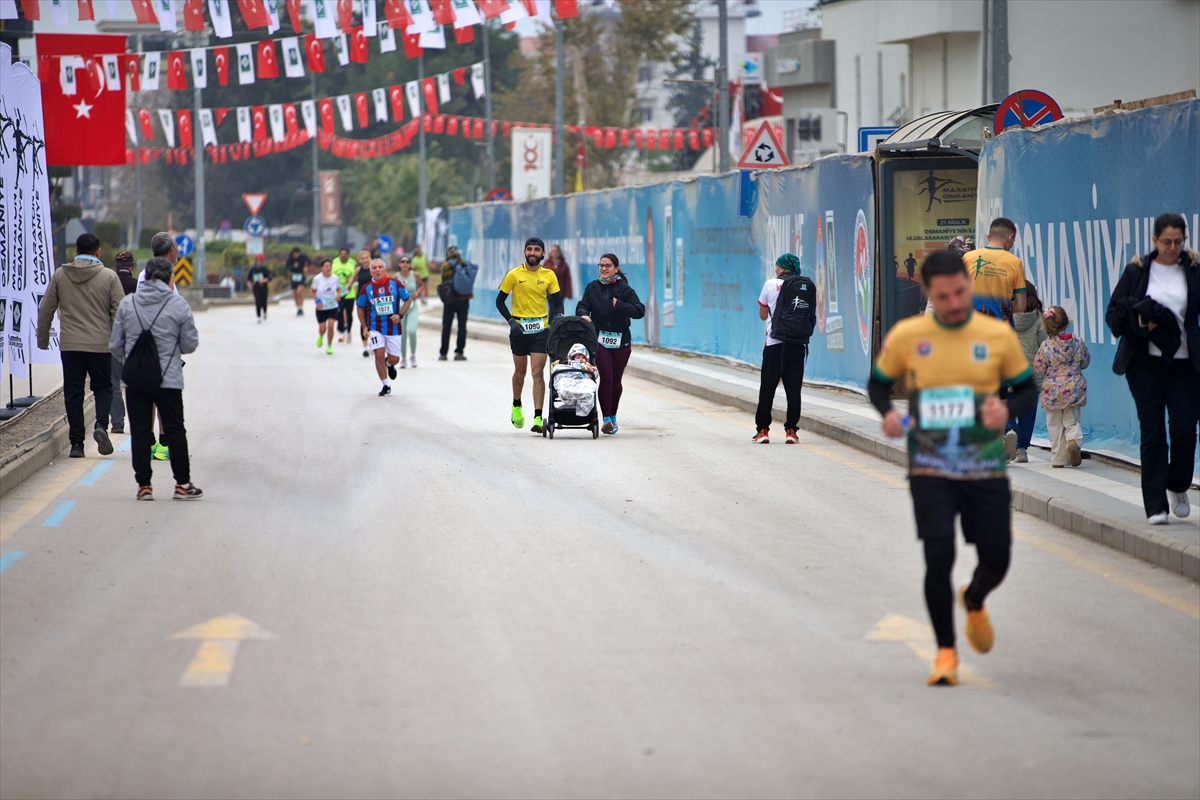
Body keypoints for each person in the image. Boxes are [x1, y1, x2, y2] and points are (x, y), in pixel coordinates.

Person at [868, 250, 1037, 686]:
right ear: (928, 293)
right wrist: (887, 412)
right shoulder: (909, 335)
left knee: (997, 558)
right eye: (944, 297)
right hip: (930, 462)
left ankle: (975, 598)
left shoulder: (995, 335)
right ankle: (945, 653)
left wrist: (1006, 408)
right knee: (938, 553)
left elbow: (1026, 390)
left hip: (984, 464)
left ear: (967, 284)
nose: (956, 303)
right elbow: (878, 383)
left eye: (961, 293)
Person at [1105, 212, 1199, 525]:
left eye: (1178, 242)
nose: (1173, 247)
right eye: (1167, 242)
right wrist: (1142, 320)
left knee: (1185, 429)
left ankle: (1178, 484)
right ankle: (1156, 504)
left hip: (1185, 364)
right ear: (1154, 240)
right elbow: (1114, 314)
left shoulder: (1194, 270)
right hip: (1145, 364)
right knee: (1153, 431)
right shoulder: (1137, 271)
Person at [109, 258, 201, 500]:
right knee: (175, 430)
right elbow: (190, 343)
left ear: (146, 278)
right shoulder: (178, 304)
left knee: (139, 431)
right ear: (171, 279)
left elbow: (115, 345)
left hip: (136, 379)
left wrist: (132, 360)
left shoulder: (128, 304)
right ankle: (182, 484)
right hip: (168, 378)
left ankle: (144, 487)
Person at [36, 232, 124, 458]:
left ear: (75, 252)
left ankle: (76, 444)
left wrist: (42, 340)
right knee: (103, 387)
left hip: (71, 345)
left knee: (73, 392)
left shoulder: (60, 275)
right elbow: (120, 311)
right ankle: (101, 426)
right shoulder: (109, 277)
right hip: (100, 345)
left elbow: (46, 308)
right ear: (98, 252)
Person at [496, 237, 564, 433]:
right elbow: (500, 302)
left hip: (540, 330)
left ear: (543, 254)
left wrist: (558, 317)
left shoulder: (549, 275)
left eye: (536, 250)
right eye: (529, 249)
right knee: (520, 373)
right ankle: (516, 405)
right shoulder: (514, 274)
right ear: (525, 252)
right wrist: (511, 322)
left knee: (537, 373)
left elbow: (557, 301)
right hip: (519, 329)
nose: (532, 253)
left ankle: (537, 417)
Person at [577, 252, 645, 434]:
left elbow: (640, 311)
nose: (604, 269)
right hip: (600, 340)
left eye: (608, 266)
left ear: (616, 268)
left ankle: (613, 417)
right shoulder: (592, 287)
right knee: (606, 378)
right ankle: (606, 418)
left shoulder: (625, 290)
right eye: (601, 265)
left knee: (616, 381)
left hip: (621, 340)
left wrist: (620, 305)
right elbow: (582, 305)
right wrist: (583, 314)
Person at [751, 253, 807, 445]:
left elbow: (762, 315)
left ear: (783, 268)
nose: (775, 269)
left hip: (774, 345)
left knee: (767, 388)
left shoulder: (769, 285)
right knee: (793, 390)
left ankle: (763, 431)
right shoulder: (805, 286)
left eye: (777, 266)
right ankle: (791, 431)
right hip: (798, 345)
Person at [1033, 305, 1090, 469]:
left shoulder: (1045, 346)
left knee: (1054, 425)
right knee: (1072, 421)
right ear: (1066, 322)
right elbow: (1085, 361)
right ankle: (1073, 441)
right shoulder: (1078, 342)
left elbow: (1038, 367)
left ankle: (1058, 459)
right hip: (1074, 389)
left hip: (1052, 392)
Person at [356, 258, 412, 396]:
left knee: (394, 359)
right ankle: (385, 385)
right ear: (370, 272)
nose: (377, 270)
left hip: (393, 328)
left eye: (380, 267)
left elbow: (408, 300)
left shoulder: (396, 284)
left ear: (385, 269)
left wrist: (400, 315)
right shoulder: (366, 289)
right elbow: (359, 307)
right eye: (374, 268)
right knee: (378, 353)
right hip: (375, 327)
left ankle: (389, 364)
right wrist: (364, 326)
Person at [1005, 280, 1047, 462]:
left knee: (1007, 407)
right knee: (1028, 413)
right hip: (1032, 373)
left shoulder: (1005, 316)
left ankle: (1010, 430)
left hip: (1009, 370)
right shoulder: (1039, 317)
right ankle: (1022, 449)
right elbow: (1044, 344)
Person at [961, 218, 1026, 320]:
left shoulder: (967, 258)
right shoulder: (1015, 263)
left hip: (971, 327)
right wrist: (1003, 309)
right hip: (1001, 329)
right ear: (1010, 237)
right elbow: (1021, 306)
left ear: (989, 237)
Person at [109, 250, 139, 435]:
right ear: (132, 267)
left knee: (114, 382)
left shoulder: (109, 284)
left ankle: (117, 423)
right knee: (134, 383)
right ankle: (136, 421)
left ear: (116, 268)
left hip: (112, 339)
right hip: (134, 341)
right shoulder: (138, 286)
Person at [438, 246, 472, 361]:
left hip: (450, 300)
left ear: (449, 253)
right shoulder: (465, 263)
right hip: (464, 298)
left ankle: (443, 353)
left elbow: (443, 281)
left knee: (446, 327)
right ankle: (459, 352)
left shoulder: (446, 265)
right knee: (462, 327)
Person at [552, 343, 599, 416]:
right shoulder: (568, 364)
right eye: (578, 357)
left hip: (583, 383)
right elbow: (556, 368)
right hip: (570, 382)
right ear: (572, 359)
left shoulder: (588, 365)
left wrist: (590, 369)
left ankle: (577, 407)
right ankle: (571, 405)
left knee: (590, 391)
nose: (580, 359)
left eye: (583, 357)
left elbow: (595, 374)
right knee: (559, 372)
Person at [396, 254, 424, 368]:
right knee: (402, 334)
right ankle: (403, 358)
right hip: (401, 308)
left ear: (410, 264)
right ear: (399, 264)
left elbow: (422, 285)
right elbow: (390, 291)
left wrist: (417, 293)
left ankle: (413, 355)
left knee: (412, 331)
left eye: (407, 262)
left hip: (412, 307)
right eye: (402, 261)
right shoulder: (395, 276)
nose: (405, 264)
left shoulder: (414, 275)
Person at [310, 258, 341, 355]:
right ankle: (321, 336)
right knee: (322, 328)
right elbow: (311, 291)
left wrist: (337, 295)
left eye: (330, 266)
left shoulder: (335, 278)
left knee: (331, 326)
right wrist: (316, 299)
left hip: (332, 305)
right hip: (321, 307)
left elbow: (338, 289)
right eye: (326, 266)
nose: (328, 268)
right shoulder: (317, 279)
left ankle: (329, 346)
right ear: (322, 268)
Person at [331, 247, 356, 343]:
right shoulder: (335, 264)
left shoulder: (352, 264)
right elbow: (332, 278)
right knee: (339, 312)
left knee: (349, 313)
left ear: (348, 255)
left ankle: (348, 331)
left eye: (345, 254)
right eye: (341, 254)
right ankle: (341, 331)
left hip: (350, 293)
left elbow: (356, 276)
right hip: (339, 293)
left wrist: (352, 280)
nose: (343, 256)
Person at [352, 250, 373, 357]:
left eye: (366, 258)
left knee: (374, 320)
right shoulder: (358, 270)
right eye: (363, 258)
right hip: (362, 298)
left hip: (373, 299)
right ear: (360, 260)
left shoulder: (374, 269)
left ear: (370, 258)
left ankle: (373, 343)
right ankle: (365, 347)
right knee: (363, 321)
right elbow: (353, 280)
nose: (365, 260)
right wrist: (348, 286)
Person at [247, 254, 271, 323]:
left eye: (260, 260)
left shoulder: (264, 269)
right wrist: (250, 286)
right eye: (257, 260)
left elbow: (269, 278)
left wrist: (264, 280)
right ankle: (258, 316)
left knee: (264, 301)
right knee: (258, 301)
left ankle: (265, 312)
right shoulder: (253, 269)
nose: (258, 262)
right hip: (256, 287)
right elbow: (249, 279)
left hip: (263, 287)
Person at [286, 247, 310, 317]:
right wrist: (293, 266)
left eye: (298, 253)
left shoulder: (302, 257)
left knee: (300, 291)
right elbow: (287, 267)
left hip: (301, 276)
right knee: (295, 293)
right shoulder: (290, 258)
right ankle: (298, 308)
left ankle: (301, 306)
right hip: (293, 276)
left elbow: (308, 261)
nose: (297, 255)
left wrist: (306, 267)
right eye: (295, 254)